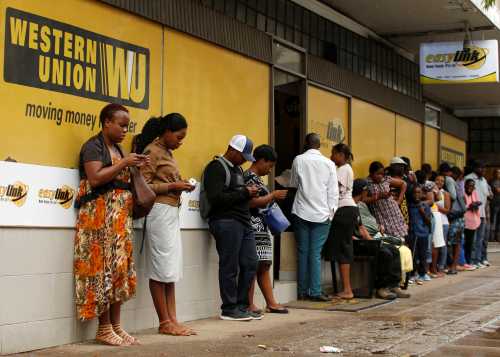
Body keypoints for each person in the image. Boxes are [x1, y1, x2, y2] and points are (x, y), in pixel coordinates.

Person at [74, 104, 148, 346]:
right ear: (107, 122)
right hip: (99, 221)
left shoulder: (118, 148)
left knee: (118, 273)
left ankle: (116, 326)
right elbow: (95, 178)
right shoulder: (92, 146)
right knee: (102, 272)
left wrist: (134, 165)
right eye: (121, 124)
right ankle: (103, 328)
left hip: (119, 223)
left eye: (127, 125)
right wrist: (124, 162)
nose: (125, 130)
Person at [138, 113, 197, 336]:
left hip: (171, 211)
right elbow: (143, 186)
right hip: (159, 211)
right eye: (179, 137)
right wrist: (172, 187)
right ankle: (164, 321)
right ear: (167, 132)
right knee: (160, 268)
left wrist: (179, 186)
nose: (180, 142)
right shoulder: (151, 152)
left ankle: (173, 319)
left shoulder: (167, 153)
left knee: (170, 270)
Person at [203, 135, 260, 321]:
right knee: (230, 265)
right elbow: (216, 198)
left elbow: (236, 195)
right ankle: (229, 308)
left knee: (251, 263)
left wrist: (248, 192)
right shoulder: (216, 167)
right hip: (226, 221)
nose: (245, 160)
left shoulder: (237, 169)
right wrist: (244, 192)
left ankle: (242, 306)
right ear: (232, 150)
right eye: (243, 155)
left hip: (244, 221)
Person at [290, 133, 339, 301]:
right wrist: (331, 213)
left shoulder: (298, 160)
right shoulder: (329, 164)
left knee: (303, 251)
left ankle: (302, 291)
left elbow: (293, 184)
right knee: (315, 253)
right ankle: (316, 292)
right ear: (319, 146)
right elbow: (333, 192)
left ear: (305, 144)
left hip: (301, 211)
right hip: (322, 213)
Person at [243, 145, 289, 314]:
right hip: (253, 226)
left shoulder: (257, 179)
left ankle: (271, 302)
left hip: (261, 226)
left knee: (263, 266)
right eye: (269, 166)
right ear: (261, 160)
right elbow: (251, 202)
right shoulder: (248, 178)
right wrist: (272, 196)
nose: (269, 170)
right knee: (254, 266)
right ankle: (250, 303)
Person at [352, 179, 411, 300]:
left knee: (394, 250)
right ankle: (381, 287)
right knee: (385, 253)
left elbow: (363, 226)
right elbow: (361, 230)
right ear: (362, 191)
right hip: (357, 241)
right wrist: (372, 240)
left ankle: (393, 285)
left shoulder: (361, 204)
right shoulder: (351, 205)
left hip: (368, 238)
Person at [323, 144, 356, 300]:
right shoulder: (346, 169)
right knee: (343, 247)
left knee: (342, 249)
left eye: (333, 153)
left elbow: (335, 191)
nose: (331, 156)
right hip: (348, 210)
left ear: (341, 154)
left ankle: (347, 290)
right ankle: (346, 288)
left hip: (343, 210)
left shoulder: (343, 170)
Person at [365, 161, 408, 239]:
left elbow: (403, 184)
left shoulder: (386, 179)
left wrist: (399, 200)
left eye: (382, 174)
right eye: (378, 174)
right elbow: (363, 200)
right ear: (371, 173)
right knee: (388, 239)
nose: (380, 176)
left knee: (401, 238)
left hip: (393, 212)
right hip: (380, 215)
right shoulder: (367, 183)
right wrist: (378, 197)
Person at [465, 161, 492, 267]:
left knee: (481, 239)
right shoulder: (469, 178)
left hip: (482, 214)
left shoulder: (484, 180)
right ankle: (471, 260)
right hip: (471, 214)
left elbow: (486, 196)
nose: (483, 170)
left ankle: (478, 260)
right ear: (475, 168)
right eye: (481, 168)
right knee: (473, 240)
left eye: (484, 168)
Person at [408, 186, 433, 283]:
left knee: (423, 254)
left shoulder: (425, 206)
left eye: (419, 193)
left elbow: (429, 222)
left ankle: (423, 273)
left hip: (423, 234)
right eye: (415, 193)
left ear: (422, 194)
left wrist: (422, 212)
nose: (417, 195)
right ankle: (413, 274)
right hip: (414, 234)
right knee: (414, 255)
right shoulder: (410, 206)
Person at [432, 175, 451, 276]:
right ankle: (433, 267)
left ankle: (441, 266)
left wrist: (434, 206)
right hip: (433, 221)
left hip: (443, 223)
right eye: (437, 180)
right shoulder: (430, 190)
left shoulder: (445, 193)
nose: (439, 182)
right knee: (434, 245)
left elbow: (447, 210)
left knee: (442, 246)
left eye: (442, 181)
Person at [464, 179, 482, 266]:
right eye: (469, 185)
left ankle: (469, 261)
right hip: (464, 222)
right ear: (465, 185)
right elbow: (462, 207)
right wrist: (470, 206)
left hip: (473, 222)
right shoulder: (462, 194)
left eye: (472, 186)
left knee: (470, 243)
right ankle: (465, 262)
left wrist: (476, 204)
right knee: (464, 243)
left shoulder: (474, 193)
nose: (471, 187)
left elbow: (476, 204)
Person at [389, 157, 410, 226]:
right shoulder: (389, 180)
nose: (402, 168)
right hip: (394, 213)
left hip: (404, 211)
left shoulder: (406, 179)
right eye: (400, 166)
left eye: (403, 166)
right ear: (393, 167)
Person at [490, 169, 500, 242]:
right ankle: (492, 237)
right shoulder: (493, 181)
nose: (499, 174)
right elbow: (497, 190)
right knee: (494, 220)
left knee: (499, 221)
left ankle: (498, 236)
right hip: (495, 203)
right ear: (494, 174)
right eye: (498, 172)